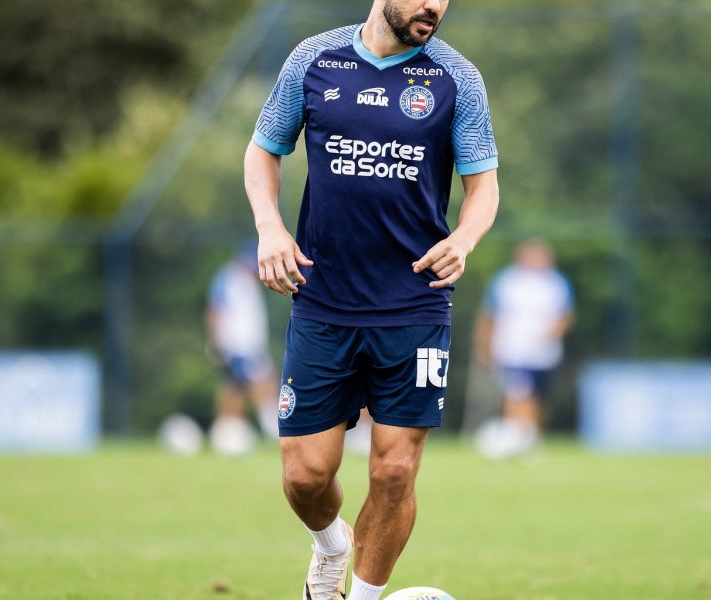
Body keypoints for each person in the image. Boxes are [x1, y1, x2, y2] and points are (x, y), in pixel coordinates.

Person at [244, 0, 499, 597]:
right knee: (306, 476)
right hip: (322, 298)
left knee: (394, 469)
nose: (433, 6)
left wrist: (464, 238)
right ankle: (331, 547)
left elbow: (482, 184)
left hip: (414, 302)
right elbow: (263, 151)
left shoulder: (456, 77)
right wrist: (270, 227)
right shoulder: (313, 59)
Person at [473, 239, 573, 455]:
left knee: (538, 397)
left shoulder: (556, 282)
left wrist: (551, 335)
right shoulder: (506, 281)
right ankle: (518, 439)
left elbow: (565, 314)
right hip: (512, 350)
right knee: (518, 394)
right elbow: (489, 315)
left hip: (545, 354)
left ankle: (532, 436)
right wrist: (484, 346)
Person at [206, 244, 279, 454]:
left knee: (236, 388)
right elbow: (215, 310)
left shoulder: (247, 282)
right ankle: (270, 431)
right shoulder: (230, 278)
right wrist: (217, 342)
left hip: (250, 347)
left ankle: (227, 433)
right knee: (255, 386)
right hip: (238, 346)